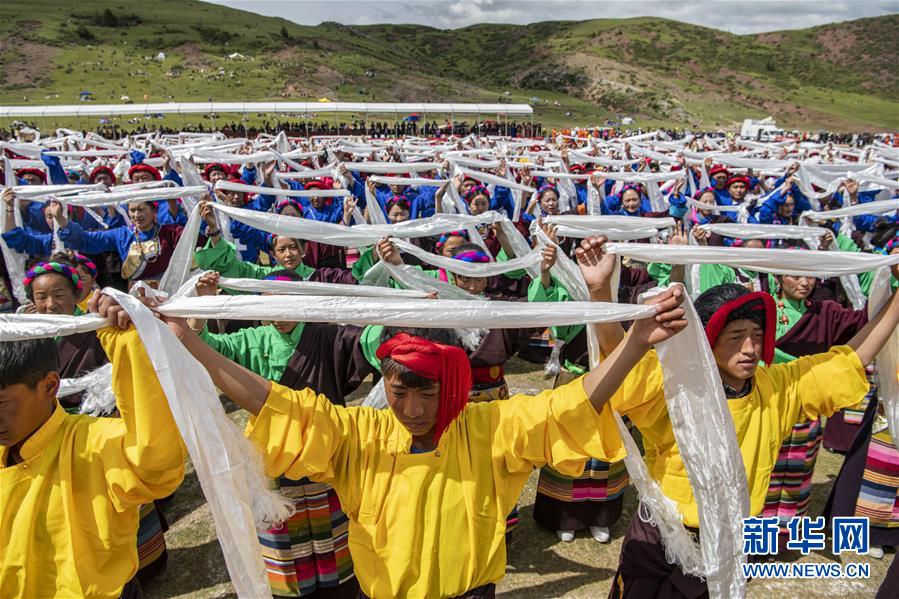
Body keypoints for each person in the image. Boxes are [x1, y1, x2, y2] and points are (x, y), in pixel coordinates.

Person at [156, 236, 687, 599]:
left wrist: (634, 340)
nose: (412, 411)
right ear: (384, 383)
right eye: (398, 392)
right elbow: (273, 403)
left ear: (451, 385)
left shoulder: (488, 429)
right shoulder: (359, 434)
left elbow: (573, 402)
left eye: (427, 394)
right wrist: (189, 340)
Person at [600, 241, 899, 598]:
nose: (749, 348)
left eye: (757, 336)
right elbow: (619, 361)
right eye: (736, 336)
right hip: (659, 538)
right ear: (707, 340)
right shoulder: (675, 383)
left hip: (727, 543)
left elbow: (850, 358)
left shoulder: (777, 389)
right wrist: (598, 288)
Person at [187, 269, 375, 597]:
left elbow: (368, 341)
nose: (277, 316)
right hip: (273, 455)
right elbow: (204, 349)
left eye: (284, 304)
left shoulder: (327, 334)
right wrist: (201, 308)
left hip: (326, 450)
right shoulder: (254, 339)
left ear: (300, 300)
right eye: (268, 307)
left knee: (336, 541)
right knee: (286, 540)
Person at [0, 292, 187, 598]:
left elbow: (156, 463)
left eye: (1, 403)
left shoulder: (94, 443)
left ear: (49, 386)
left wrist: (127, 345)